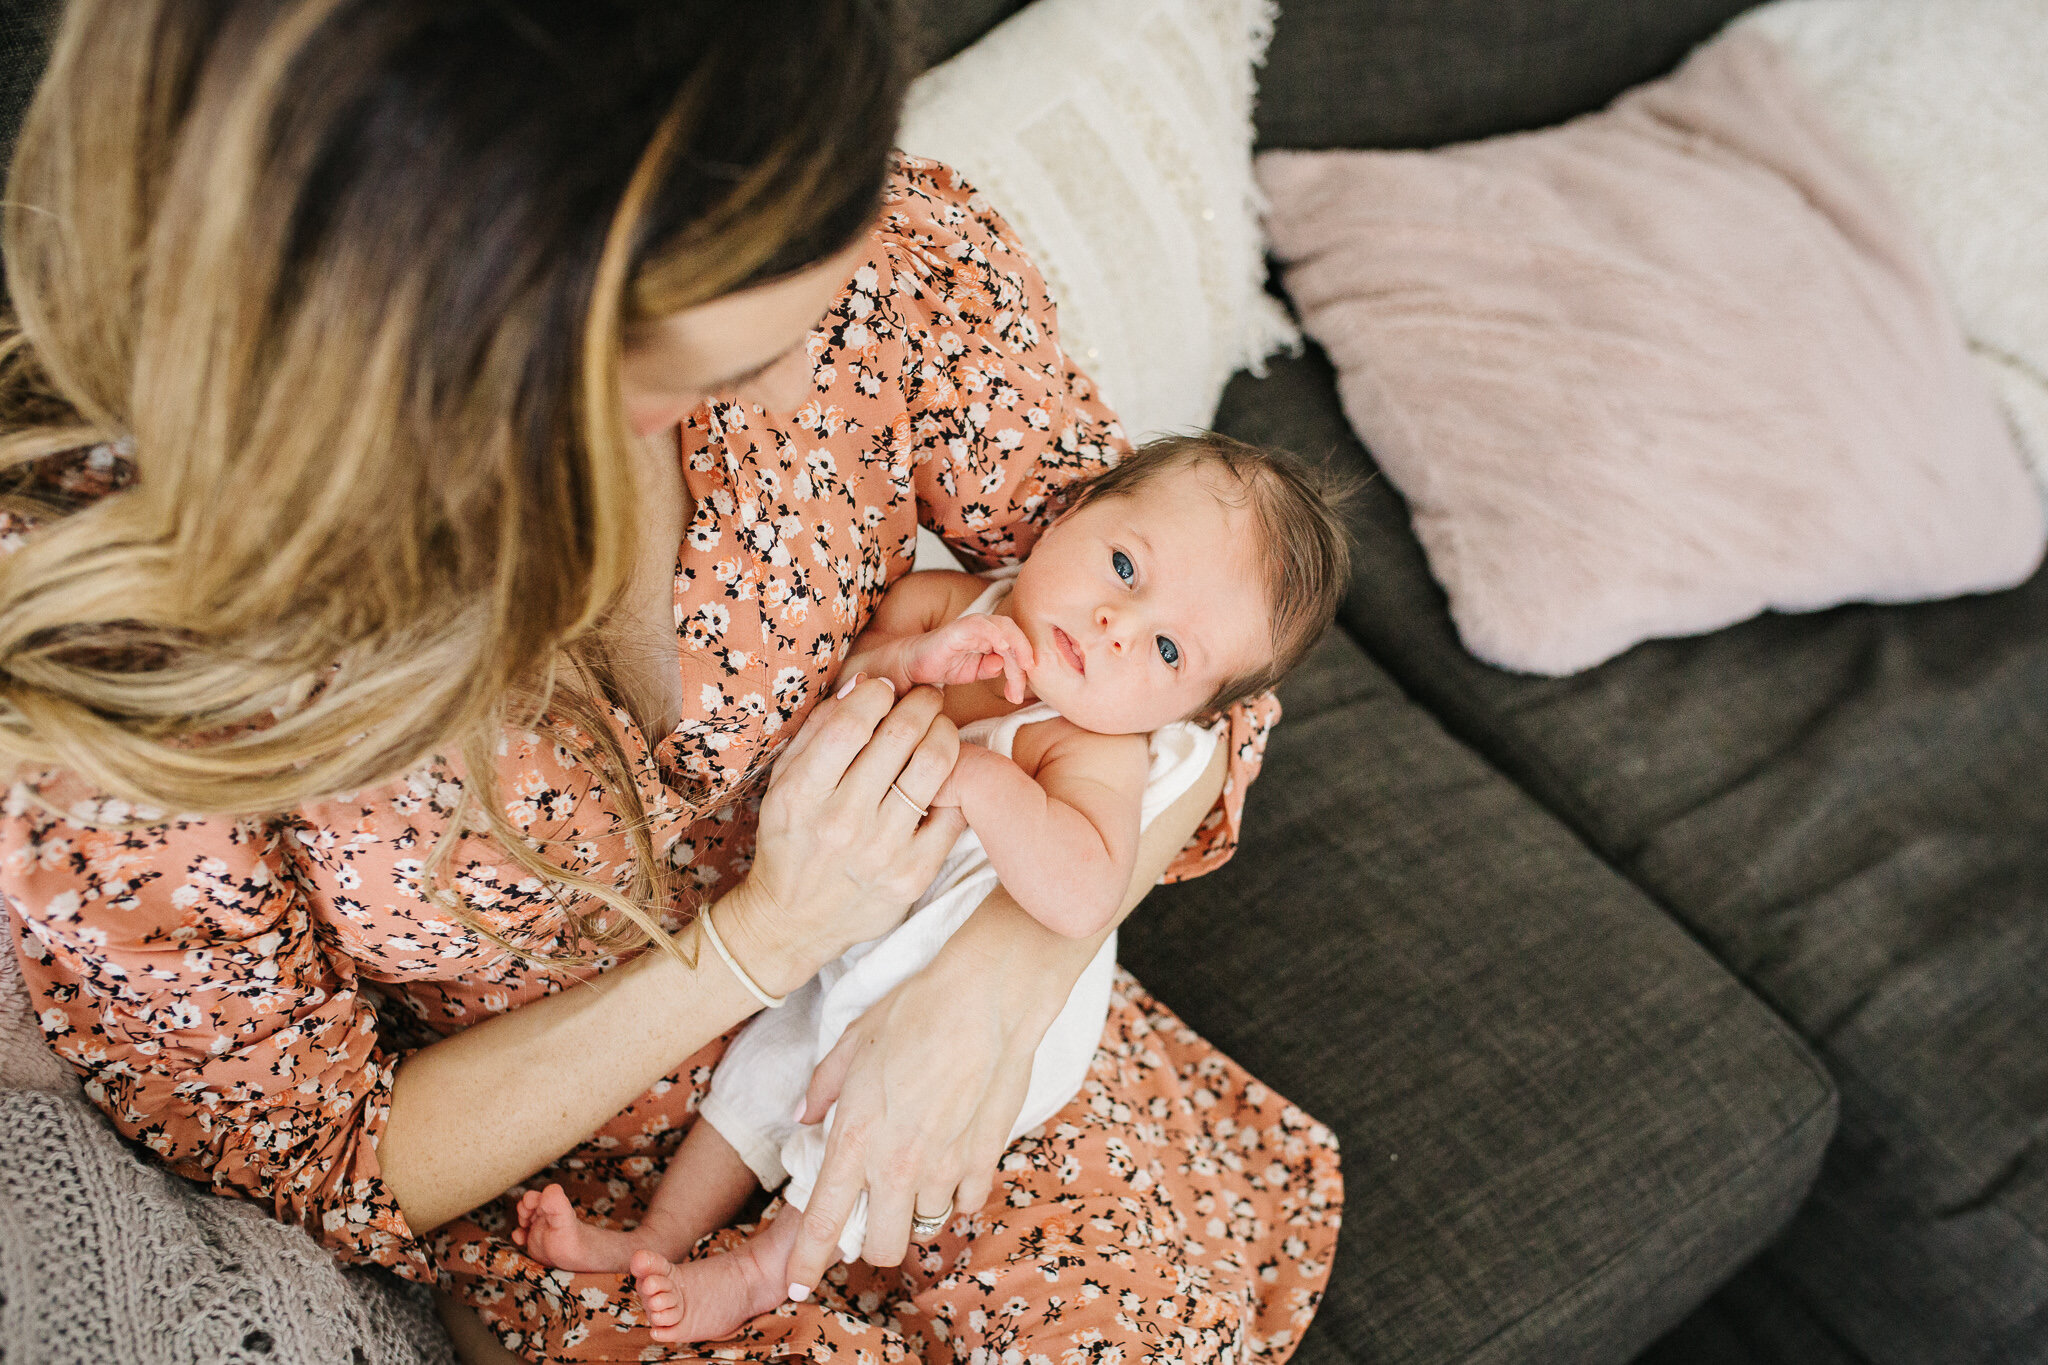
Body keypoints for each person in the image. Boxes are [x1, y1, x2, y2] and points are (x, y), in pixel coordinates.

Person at [0, 4, 1343, 1363]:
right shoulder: (123, 661)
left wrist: (990, 990)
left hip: (962, 1040)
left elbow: (1202, 683)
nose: (783, 366)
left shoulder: (866, 256)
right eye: (690, 364)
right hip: (599, 1194)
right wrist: (759, 940)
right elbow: (322, 1149)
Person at [508, 435, 1351, 1344]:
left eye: (1167, 648)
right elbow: (839, 692)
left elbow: (1080, 896)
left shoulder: (1096, 747)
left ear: (1184, 715)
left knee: (854, 1117)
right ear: (1071, 511)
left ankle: (764, 1266)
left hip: (960, 989)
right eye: (1122, 566)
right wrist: (911, 667)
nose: (1114, 623)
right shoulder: (945, 605)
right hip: (849, 936)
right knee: (761, 1076)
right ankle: (655, 1235)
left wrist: (985, 782)